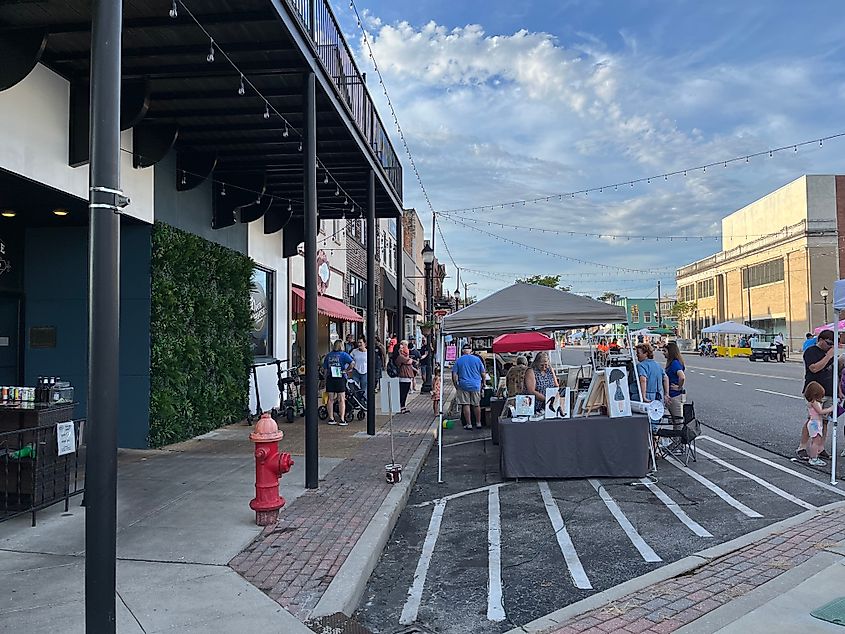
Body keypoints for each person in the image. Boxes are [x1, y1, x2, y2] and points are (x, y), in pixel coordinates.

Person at [798, 329, 835, 460]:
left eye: (833, 344)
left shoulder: (830, 353)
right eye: (828, 343)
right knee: (813, 419)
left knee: (825, 421)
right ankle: (802, 446)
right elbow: (814, 368)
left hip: (829, 390)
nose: (830, 346)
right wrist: (828, 356)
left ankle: (820, 447)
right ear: (820, 340)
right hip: (814, 392)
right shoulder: (811, 352)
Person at [452, 344, 485, 430]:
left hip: (463, 385)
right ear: (471, 350)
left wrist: (456, 385)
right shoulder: (477, 359)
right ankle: (478, 423)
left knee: (466, 404)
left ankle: (469, 424)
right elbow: (483, 373)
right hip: (476, 384)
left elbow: (454, 375)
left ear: (463, 351)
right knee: (476, 404)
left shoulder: (459, 360)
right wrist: (483, 383)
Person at [322, 340, 354, 426]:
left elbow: (325, 369)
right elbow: (352, 363)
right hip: (340, 378)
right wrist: (346, 371)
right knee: (341, 399)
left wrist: (325, 380)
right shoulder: (343, 355)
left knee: (330, 399)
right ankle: (342, 419)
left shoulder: (328, 355)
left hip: (330, 378)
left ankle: (331, 418)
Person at [804, 381, 831, 466]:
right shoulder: (814, 402)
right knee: (816, 441)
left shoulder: (813, 402)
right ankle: (814, 458)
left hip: (815, 422)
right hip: (815, 423)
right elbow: (820, 411)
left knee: (816, 441)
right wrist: (831, 409)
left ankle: (814, 456)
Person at [664, 341, 686, 422]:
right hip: (672, 395)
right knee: (673, 420)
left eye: (665, 351)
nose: (663, 353)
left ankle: (678, 435)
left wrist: (679, 387)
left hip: (675, 396)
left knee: (678, 422)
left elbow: (682, 377)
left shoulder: (674, 363)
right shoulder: (673, 362)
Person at [393, 341, 415, 413]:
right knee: (403, 392)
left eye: (403, 348)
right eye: (401, 348)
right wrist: (410, 359)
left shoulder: (403, 355)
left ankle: (403, 406)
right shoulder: (399, 357)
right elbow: (409, 361)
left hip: (407, 376)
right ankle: (401, 407)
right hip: (403, 376)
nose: (403, 349)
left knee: (405, 393)